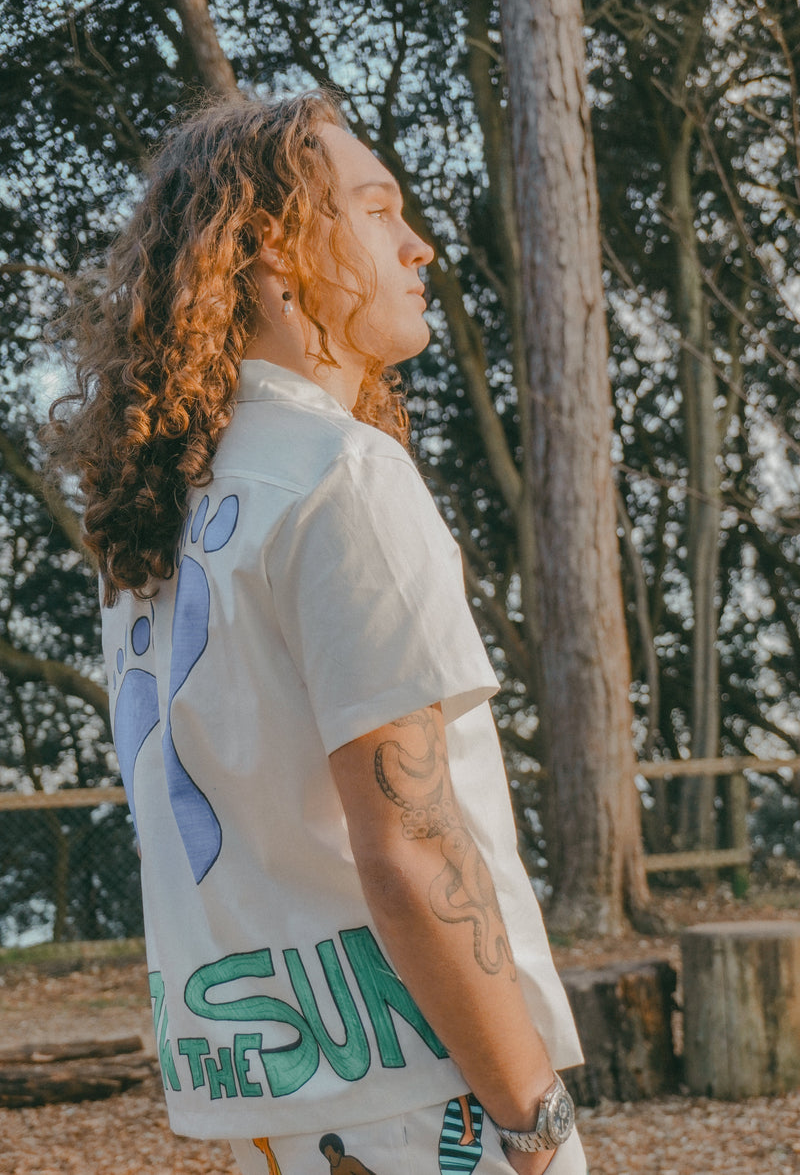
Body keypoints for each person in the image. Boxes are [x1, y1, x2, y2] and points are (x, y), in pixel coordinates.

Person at [47, 91, 587, 1175]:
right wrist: (532, 1116)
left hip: (263, 1097)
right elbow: (410, 842)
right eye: (377, 210)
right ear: (272, 258)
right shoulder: (342, 477)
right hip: (427, 1096)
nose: (417, 243)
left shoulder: (163, 518)